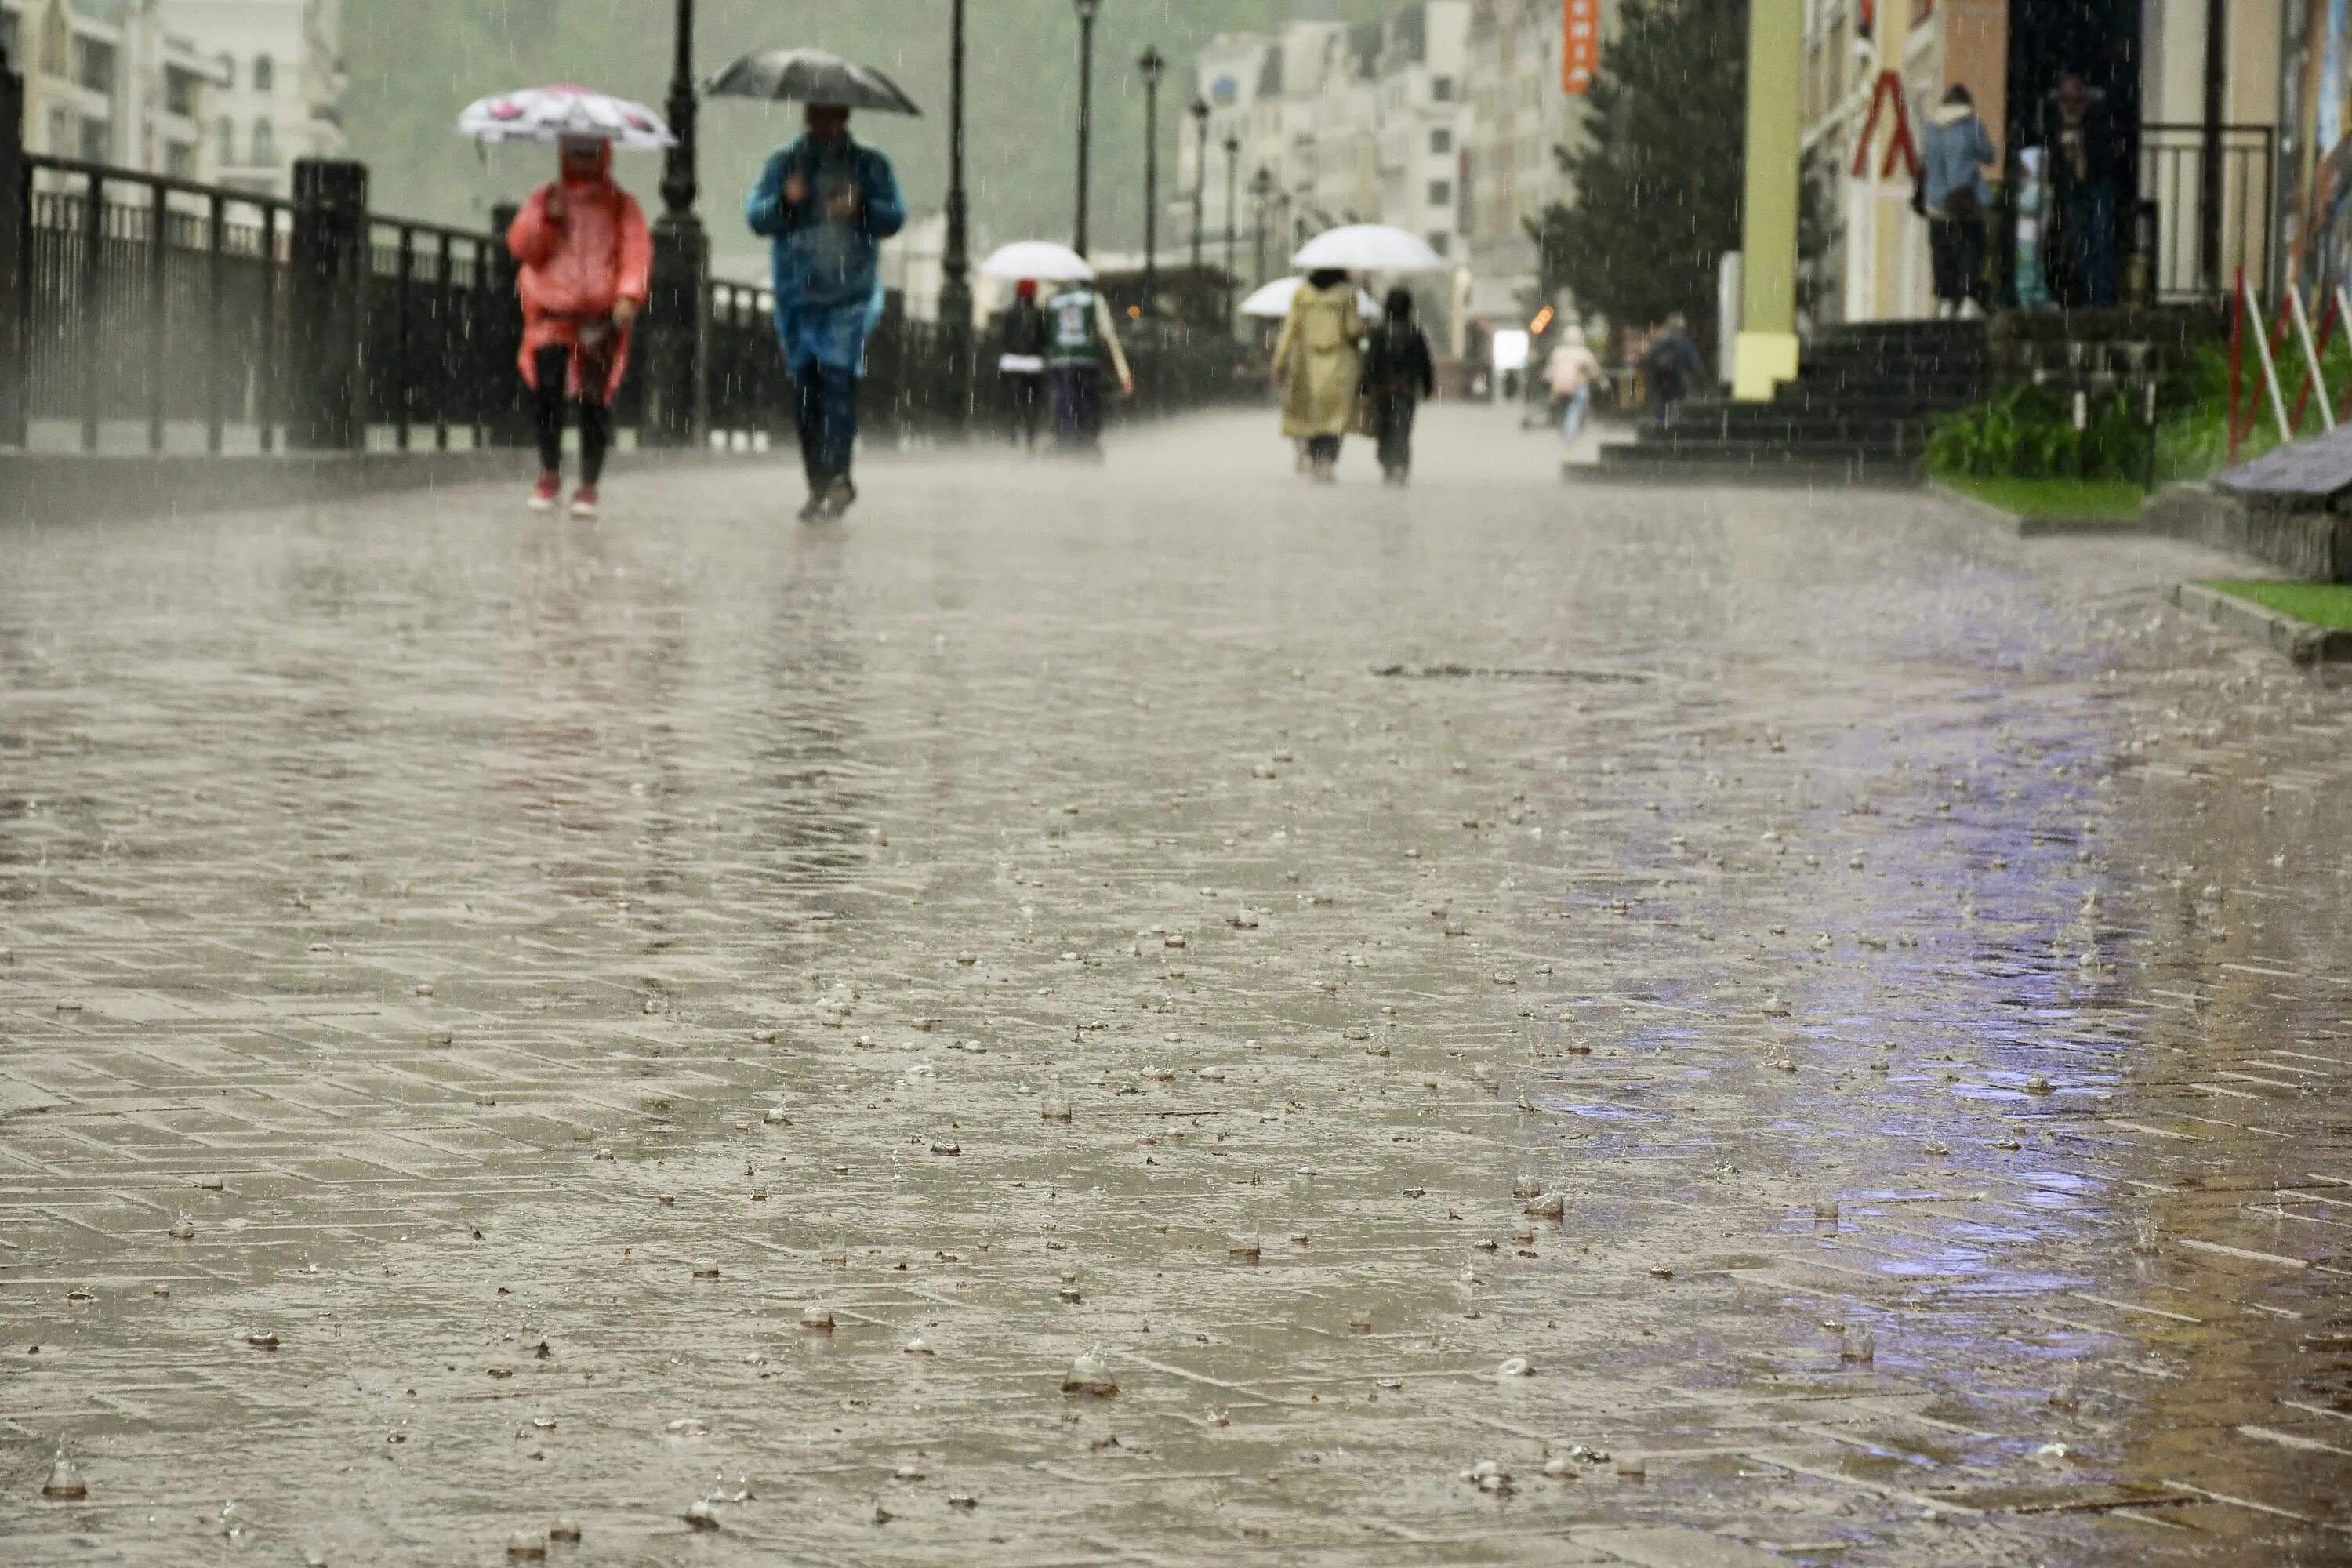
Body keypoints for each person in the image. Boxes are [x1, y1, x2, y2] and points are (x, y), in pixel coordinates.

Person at [746, 101, 908, 521]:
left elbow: (894, 216)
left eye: (832, 114)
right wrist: (785, 200)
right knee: (805, 392)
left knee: (838, 382)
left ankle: (838, 476)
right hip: (796, 295)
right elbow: (756, 216)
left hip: (848, 295)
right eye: (817, 113)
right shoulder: (785, 163)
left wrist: (862, 209)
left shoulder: (871, 164)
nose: (824, 122)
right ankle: (818, 483)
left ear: (845, 116)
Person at [506, 133, 651, 518]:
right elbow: (523, 248)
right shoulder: (544, 199)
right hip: (552, 313)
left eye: (591, 154)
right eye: (576, 154)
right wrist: (547, 221)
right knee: (548, 394)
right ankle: (550, 471)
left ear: (604, 156)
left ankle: (588, 484)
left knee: (594, 400)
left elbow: (636, 252)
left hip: (600, 318)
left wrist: (627, 295)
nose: (583, 161)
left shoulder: (621, 205)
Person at [2042, 71, 2124, 308]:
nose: (2070, 101)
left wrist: (2082, 145)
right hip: (2073, 187)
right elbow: (2054, 153)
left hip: (2099, 183)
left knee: (2102, 238)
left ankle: (2103, 296)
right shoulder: (2057, 119)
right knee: (2081, 242)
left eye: (2074, 93)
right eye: (2066, 95)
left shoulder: (2098, 115)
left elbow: (2107, 149)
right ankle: (2088, 294)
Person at [1272, 269, 1363, 481]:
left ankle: (1308, 456)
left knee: (1307, 416)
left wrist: (1278, 363)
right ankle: (1327, 463)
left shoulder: (1302, 293)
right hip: (1339, 364)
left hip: (1306, 364)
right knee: (1334, 419)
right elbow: (1353, 329)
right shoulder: (1347, 294)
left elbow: (1290, 329)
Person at [1920, 85, 1996, 319]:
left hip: (1935, 203)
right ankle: (1968, 300)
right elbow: (1989, 156)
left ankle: (1945, 300)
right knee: (1970, 248)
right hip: (1964, 201)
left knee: (1941, 251)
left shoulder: (1930, 128)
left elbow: (1926, 160)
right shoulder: (1971, 125)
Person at [1042, 276, 1134, 454]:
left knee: (1064, 395)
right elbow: (1107, 332)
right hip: (1086, 357)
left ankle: (1064, 437)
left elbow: (1045, 329)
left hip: (1059, 357)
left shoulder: (1052, 300)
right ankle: (1086, 439)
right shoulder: (1093, 298)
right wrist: (1124, 374)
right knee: (1087, 398)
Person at [1360, 286, 1434, 484]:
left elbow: (1370, 362)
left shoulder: (1379, 332)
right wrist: (1427, 387)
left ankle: (1388, 464)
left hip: (1383, 391)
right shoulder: (1414, 332)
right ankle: (1400, 464)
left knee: (1384, 429)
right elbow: (1424, 363)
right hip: (1406, 390)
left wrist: (1364, 389)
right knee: (1402, 429)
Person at [998, 279, 1050, 448]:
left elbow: (1004, 338)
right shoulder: (1040, 314)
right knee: (1033, 402)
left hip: (1012, 363)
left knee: (1014, 400)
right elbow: (1044, 338)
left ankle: (1012, 431)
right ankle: (1030, 435)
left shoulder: (1009, 314)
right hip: (1033, 363)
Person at [1640, 314, 1700, 430]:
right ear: (1683, 328)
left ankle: (1659, 427)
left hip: (1662, 379)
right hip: (1679, 379)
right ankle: (1679, 429)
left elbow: (1650, 360)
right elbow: (1693, 365)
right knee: (1682, 403)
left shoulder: (1659, 342)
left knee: (1663, 402)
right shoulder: (1686, 343)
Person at [1545, 325, 1601, 445]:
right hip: (1578, 387)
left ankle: (1563, 429)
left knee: (1562, 409)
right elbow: (1594, 371)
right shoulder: (1584, 353)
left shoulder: (1558, 352)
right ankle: (1570, 434)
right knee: (1574, 410)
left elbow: (1549, 372)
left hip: (1559, 388)